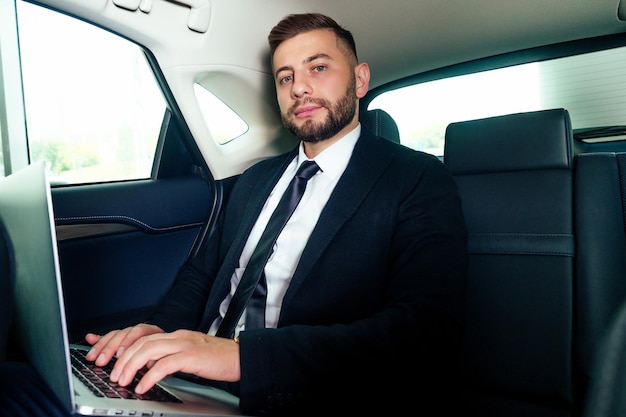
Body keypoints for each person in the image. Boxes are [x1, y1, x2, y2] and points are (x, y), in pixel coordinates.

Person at [85, 12, 467, 416]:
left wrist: (244, 359)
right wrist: (160, 331)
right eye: (285, 78)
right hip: (188, 381)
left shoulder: (416, 179)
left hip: (296, 393)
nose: (299, 87)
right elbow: (202, 275)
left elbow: (426, 328)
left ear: (359, 80)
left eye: (318, 68)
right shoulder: (254, 179)